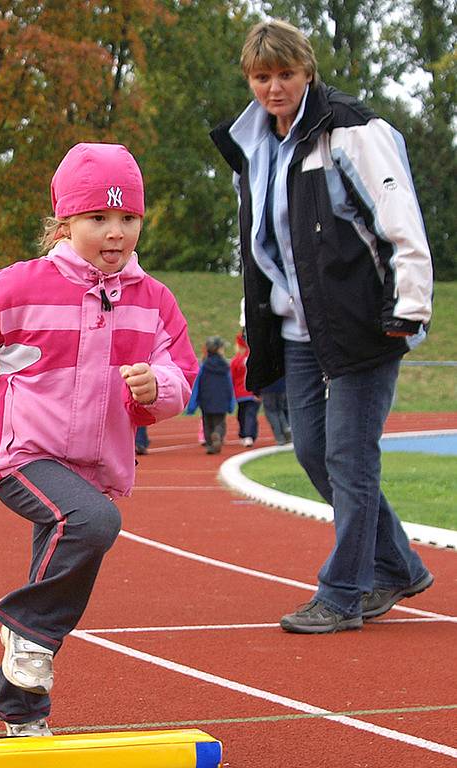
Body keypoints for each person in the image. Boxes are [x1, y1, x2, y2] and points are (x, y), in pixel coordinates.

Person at [0, 143, 197, 735]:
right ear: (64, 222)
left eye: (127, 218)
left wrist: (156, 385)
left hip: (94, 464)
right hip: (23, 455)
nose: (115, 232)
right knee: (94, 524)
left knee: (63, 560)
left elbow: (181, 374)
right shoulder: (23, 286)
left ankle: (19, 702)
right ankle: (22, 628)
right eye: (97, 219)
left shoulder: (154, 301)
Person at [211, 19, 434, 634]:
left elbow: (399, 219)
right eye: (263, 77)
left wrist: (408, 306)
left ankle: (343, 592)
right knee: (311, 449)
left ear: (307, 71)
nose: (275, 87)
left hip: (364, 322)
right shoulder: (253, 146)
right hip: (296, 327)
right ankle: (397, 566)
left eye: (286, 74)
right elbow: (260, 245)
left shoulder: (351, 131)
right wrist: (251, 319)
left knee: (350, 457)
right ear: (250, 80)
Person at [186, 336, 234, 454]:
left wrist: (193, 403)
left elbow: (197, 384)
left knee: (207, 423)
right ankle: (218, 433)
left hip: (206, 399)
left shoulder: (203, 366)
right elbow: (229, 384)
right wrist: (231, 402)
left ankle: (210, 445)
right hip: (221, 399)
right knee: (220, 421)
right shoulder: (225, 367)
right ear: (218, 349)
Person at [230, 332, 260, 447]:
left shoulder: (236, 360)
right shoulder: (254, 357)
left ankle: (245, 434)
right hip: (252, 392)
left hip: (241, 394)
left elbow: (232, 376)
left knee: (243, 414)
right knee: (250, 414)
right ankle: (249, 434)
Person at [260, 376, 292, 446]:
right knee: (280, 410)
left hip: (267, 388)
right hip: (282, 387)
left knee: (271, 413)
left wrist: (256, 391)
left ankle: (280, 437)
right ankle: (286, 428)